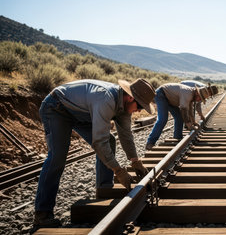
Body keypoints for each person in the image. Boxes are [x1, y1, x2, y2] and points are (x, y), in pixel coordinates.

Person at [34, 78, 154, 227]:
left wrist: (135, 161)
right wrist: (118, 170)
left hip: (80, 113)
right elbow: (99, 142)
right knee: (57, 158)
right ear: (130, 97)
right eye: (140, 107)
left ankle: (104, 189)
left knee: (110, 140)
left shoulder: (124, 107)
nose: (138, 111)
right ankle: (42, 213)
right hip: (57, 107)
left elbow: (126, 136)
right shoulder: (106, 99)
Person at [145, 83, 210, 150]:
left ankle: (177, 137)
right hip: (162, 94)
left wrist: (193, 122)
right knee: (163, 119)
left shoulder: (192, 96)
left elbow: (190, 110)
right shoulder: (187, 94)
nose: (199, 100)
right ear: (197, 93)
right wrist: (189, 124)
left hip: (170, 99)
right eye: (200, 98)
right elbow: (184, 110)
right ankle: (150, 143)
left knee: (179, 118)